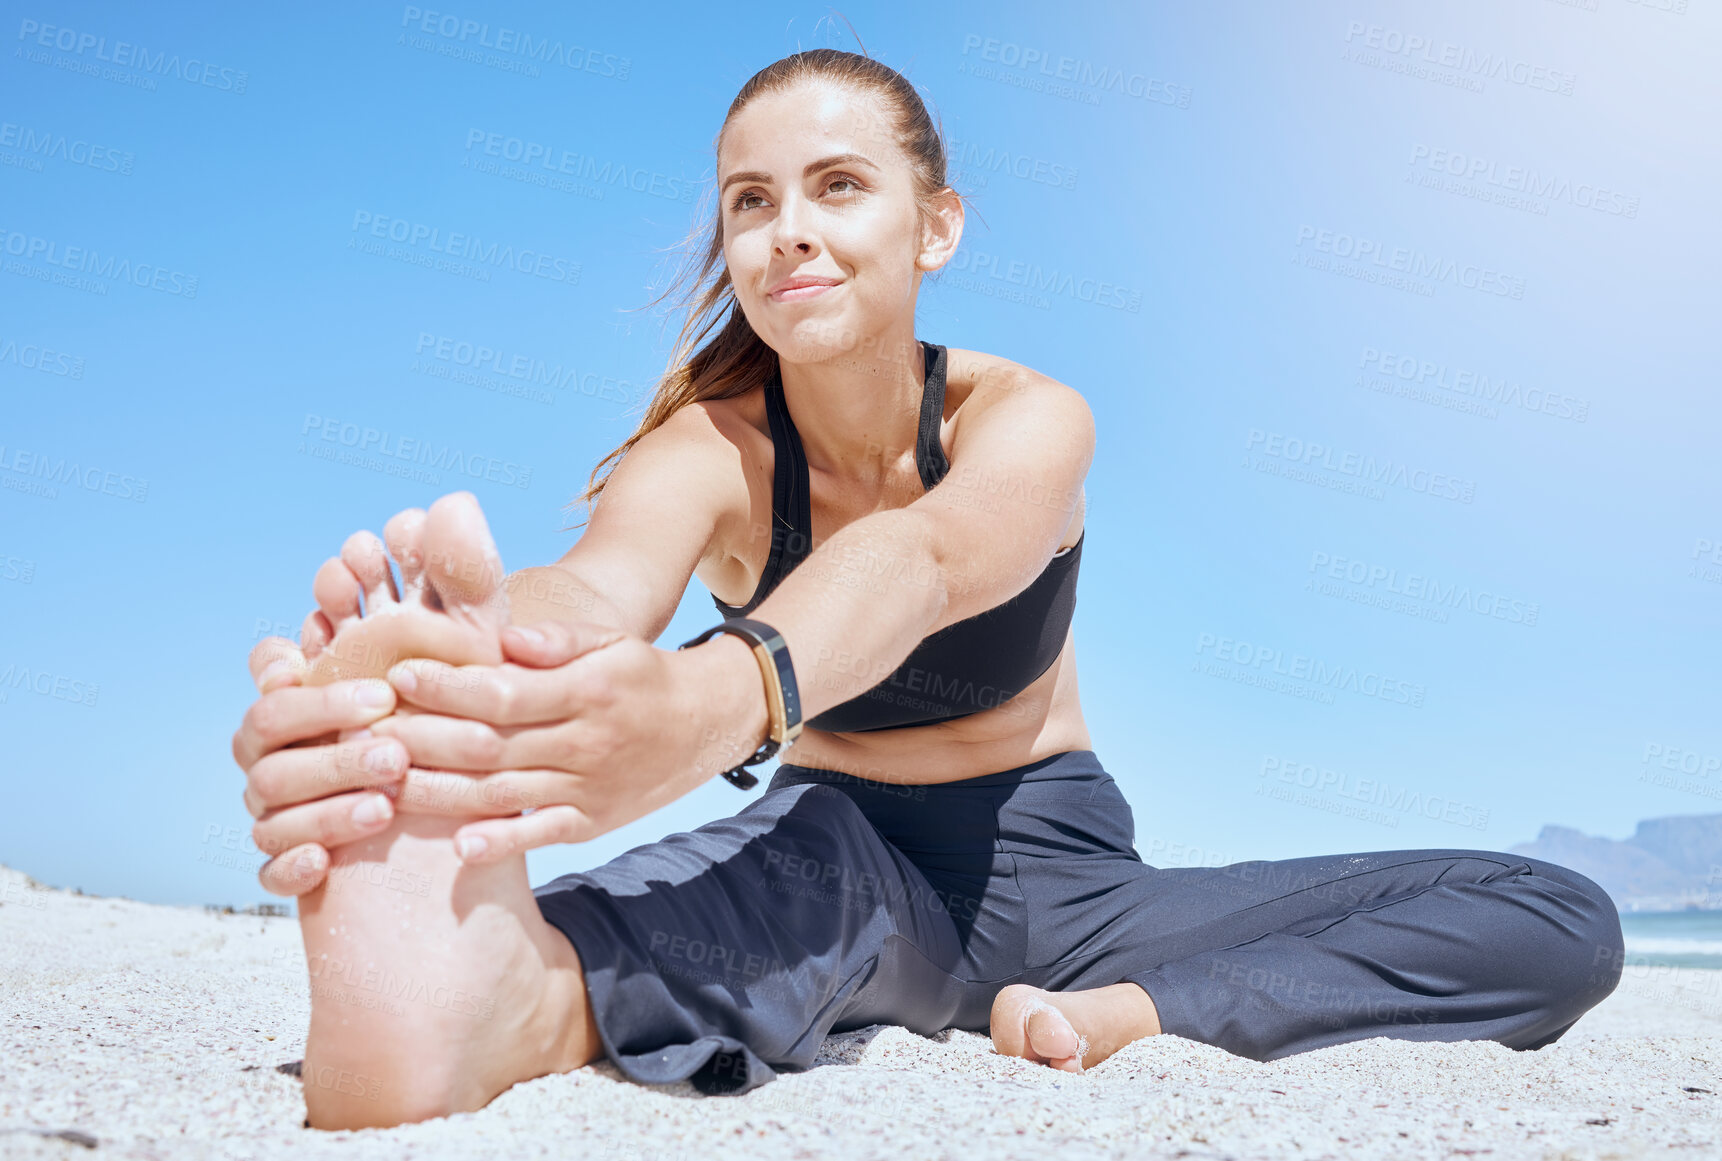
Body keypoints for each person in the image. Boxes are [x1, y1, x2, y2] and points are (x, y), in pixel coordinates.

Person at [230, 49, 1624, 1132]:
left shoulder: (1029, 417)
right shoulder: (709, 451)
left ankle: (1138, 1014)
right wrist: (478, 664)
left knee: (1560, 916)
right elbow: (597, 587)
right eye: (750, 201)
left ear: (934, 225)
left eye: (837, 185)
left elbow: (927, 557)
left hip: (1069, 886)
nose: (788, 230)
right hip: (842, 856)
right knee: (610, 941)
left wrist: (725, 695)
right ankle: (482, 999)